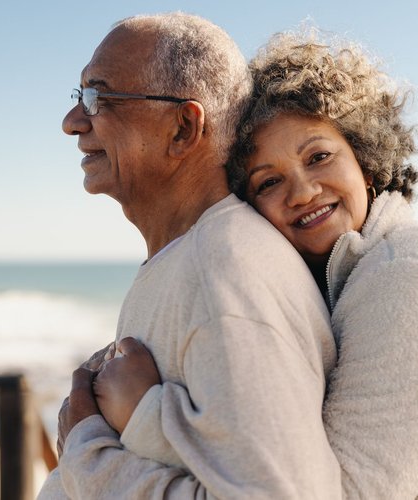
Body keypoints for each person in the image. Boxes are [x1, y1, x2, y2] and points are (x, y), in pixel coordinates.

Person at [95, 30, 418, 499]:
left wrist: (145, 416)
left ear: (365, 161)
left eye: (319, 157)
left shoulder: (400, 275)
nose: (303, 192)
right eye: (268, 182)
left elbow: (349, 491)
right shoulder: (339, 273)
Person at [38, 14, 342, 499]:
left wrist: (85, 452)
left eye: (98, 97)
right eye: (79, 98)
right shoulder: (195, 257)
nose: (72, 122)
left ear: (182, 128)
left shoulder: (224, 272)